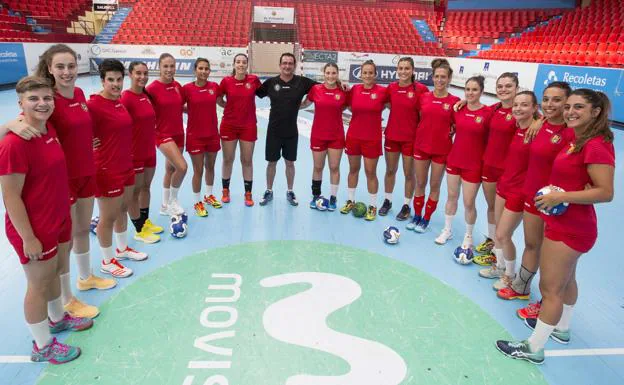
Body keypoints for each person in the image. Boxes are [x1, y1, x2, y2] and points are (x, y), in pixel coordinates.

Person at [496, 89, 615, 364]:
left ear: (595, 112)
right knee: (567, 279)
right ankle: (562, 328)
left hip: (571, 227)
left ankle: (534, 347)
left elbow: (606, 192)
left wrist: (560, 196)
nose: (570, 112)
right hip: (569, 222)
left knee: (550, 290)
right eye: (569, 106)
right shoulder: (579, 139)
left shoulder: (595, 144)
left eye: (579, 108)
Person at [1, 44, 111, 319]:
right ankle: (66, 298)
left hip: (87, 172)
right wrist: (8, 126)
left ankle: (86, 276)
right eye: (60, 67)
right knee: (65, 244)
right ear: (49, 69)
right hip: (63, 182)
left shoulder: (79, 94)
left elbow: (80, 129)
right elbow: (19, 127)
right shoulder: (47, 102)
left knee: (83, 230)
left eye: (71, 66)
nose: (67, 72)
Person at [0, 76, 93, 364]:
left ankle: (56, 318)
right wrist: (28, 237)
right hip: (35, 227)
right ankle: (42, 346)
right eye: (34, 99)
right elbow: (10, 196)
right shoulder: (14, 144)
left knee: (53, 273)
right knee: (38, 285)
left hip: (58, 218)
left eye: (46, 98)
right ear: (20, 104)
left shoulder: (49, 128)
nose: (42, 103)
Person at [496, 82, 574, 314]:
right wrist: (540, 120)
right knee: (532, 244)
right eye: (547, 99)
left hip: (552, 202)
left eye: (557, 100)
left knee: (551, 256)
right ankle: (521, 286)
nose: (551, 104)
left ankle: (549, 306)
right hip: (531, 194)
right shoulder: (540, 125)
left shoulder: (570, 133)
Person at [89, 59, 149, 278]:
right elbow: (72, 127)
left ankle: (122, 249)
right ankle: (107, 261)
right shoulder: (94, 104)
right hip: (106, 169)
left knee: (123, 208)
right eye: (110, 80)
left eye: (118, 79)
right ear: (102, 81)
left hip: (126, 165)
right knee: (108, 216)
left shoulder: (120, 102)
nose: (115, 84)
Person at [478, 92, 539, 288]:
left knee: (504, 234)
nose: (519, 108)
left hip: (519, 191)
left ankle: (511, 275)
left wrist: (541, 120)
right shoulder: (514, 127)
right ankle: (500, 266)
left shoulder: (536, 131)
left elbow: (559, 122)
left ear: (534, 108)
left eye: (525, 105)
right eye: (516, 105)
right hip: (504, 184)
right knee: (498, 230)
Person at [435, 75, 491, 249]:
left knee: (468, 203)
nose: (470, 93)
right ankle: (447, 230)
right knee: (451, 197)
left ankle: (468, 235)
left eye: (474, 89)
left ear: (482, 91)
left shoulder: (488, 113)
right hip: (454, 159)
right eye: (468, 89)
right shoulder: (458, 109)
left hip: (473, 165)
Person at [256, 52, 317, 206]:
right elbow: (254, 91)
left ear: (295, 65)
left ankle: (290, 191)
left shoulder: (302, 82)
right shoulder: (271, 83)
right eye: (285, 63)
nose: (287, 66)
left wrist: (306, 103)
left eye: (290, 63)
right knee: (271, 163)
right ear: (280, 65)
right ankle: (269, 190)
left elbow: (322, 87)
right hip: (274, 131)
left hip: (291, 132)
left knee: (290, 163)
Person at [472, 73, 519, 262]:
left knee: (504, 216)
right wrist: (459, 105)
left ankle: (498, 254)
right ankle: (492, 241)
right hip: (489, 166)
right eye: (500, 86)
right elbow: (474, 112)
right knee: (492, 208)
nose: (503, 89)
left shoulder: (523, 113)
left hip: (509, 172)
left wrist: (539, 121)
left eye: (508, 86)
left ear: (517, 88)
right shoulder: (492, 110)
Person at [409, 58, 460, 233]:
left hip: (441, 150)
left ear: (449, 79)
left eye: (443, 77)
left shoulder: (455, 101)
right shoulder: (423, 98)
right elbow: (417, 116)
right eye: (437, 76)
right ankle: (416, 215)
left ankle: (426, 218)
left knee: (435, 185)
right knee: (420, 182)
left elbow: (457, 123)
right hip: (421, 146)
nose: (440, 80)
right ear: (432, 77)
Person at [380, 57, 428, 220]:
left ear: (413, 70)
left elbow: (425, 113)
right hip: (392, 136)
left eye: (407, 68)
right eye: (400, 68)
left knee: (409, 174)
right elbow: (386, 103)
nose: (403, 71)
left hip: (410, 138)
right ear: (397, 70)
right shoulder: (391, 88)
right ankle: (387, 201)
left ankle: (407, 205)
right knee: (390, 171)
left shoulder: (420, 89)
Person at [340, 60, 389, 221]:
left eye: (370, 72)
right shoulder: (354, 90)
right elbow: (348, 106)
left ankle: (373, 206)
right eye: (365, 72)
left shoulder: (382, 92)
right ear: (360, 74)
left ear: (375, 74)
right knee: (353, 170)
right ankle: (350, 201)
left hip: (372, 139)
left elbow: (393, 107)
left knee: (370, 173)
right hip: (354, 136)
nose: (367, 75)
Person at [121, 61, 163, 244]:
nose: (142, 77)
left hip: (149, 150)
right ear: (130, 74)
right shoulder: (126, 98)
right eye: (138, 73)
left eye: (145, 73)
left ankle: (144, 221)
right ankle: (138, 228)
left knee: (146, 187)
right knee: (134, 192)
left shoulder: (146, 96)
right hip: (134, 153)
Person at [300, 62, 347, 211]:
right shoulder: (316, 89)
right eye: (328, 73)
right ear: (324, 74)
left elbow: (350, 106)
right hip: (318, 135)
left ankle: (333, 198)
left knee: (334, 167)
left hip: (336, 136)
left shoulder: (343, 91)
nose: (331, 76)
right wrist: (286, 103)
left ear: (337, 74)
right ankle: (316, 196)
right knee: (318, 167)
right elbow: (304, 104)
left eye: (334, 73)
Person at [146, 53, 187, 216]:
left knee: (170, 169)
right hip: (162, 134)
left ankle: (164, 205)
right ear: (159, 67)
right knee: (182, 167)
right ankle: (173, 201)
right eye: (165, 66)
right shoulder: (152, 89)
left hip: (179, 133)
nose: (169, 69)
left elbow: (180, 107)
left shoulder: (178, 86)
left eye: (172, 66)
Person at [217, 53, 261, 206]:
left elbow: (263, 93)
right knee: (228, 159)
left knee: (247, 160)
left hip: (248, 126)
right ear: (234, 64)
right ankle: (225, 190)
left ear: (247, 64)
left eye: (244, 62)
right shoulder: (226, 81)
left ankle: (248, 193)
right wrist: (229, 108)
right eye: (238, 62)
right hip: (228, 125)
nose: (241, 64)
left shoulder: (253, 80)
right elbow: (219, 99)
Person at [182, 58, 223, 217]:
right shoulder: (187, 89)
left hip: (212, 134)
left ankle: (209, 195)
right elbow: (179, 106)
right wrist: (191, 111)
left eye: (206, 69)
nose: (204, 71)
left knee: (210, 167)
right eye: (201, 68)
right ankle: (197, 201)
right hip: (195, 136)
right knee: (198, 170)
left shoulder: (214, 87)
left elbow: (222, 102)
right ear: (195, 70)